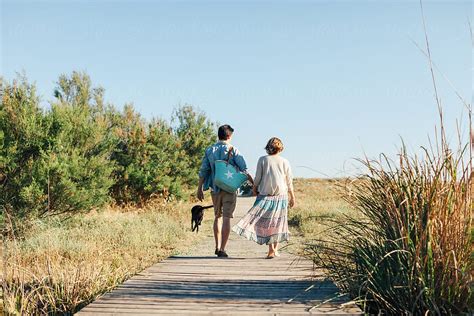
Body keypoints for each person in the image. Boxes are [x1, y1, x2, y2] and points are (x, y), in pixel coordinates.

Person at [232, 137, 295, 259]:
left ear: (268, 148)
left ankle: (272, 249)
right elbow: (289, 181)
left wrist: (254, 188)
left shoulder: (263, 160)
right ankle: (273, 249)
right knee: (277, 223)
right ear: (280, 148)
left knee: (265, 222)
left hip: (265, 195)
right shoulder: (285, 161)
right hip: (281, 196)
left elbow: (258, 177)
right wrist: (293, 197)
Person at [197, 124, 251, 258]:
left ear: (218, 135)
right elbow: (244, 168)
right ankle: (222, 248)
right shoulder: (234, 150)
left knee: (218, 217)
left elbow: (204, 170)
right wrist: (253, 184)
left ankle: (216, 246)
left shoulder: (210, 150)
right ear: (229, 136)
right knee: (227, 217)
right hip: (230, 188)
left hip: (215, 187)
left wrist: (199, 188)